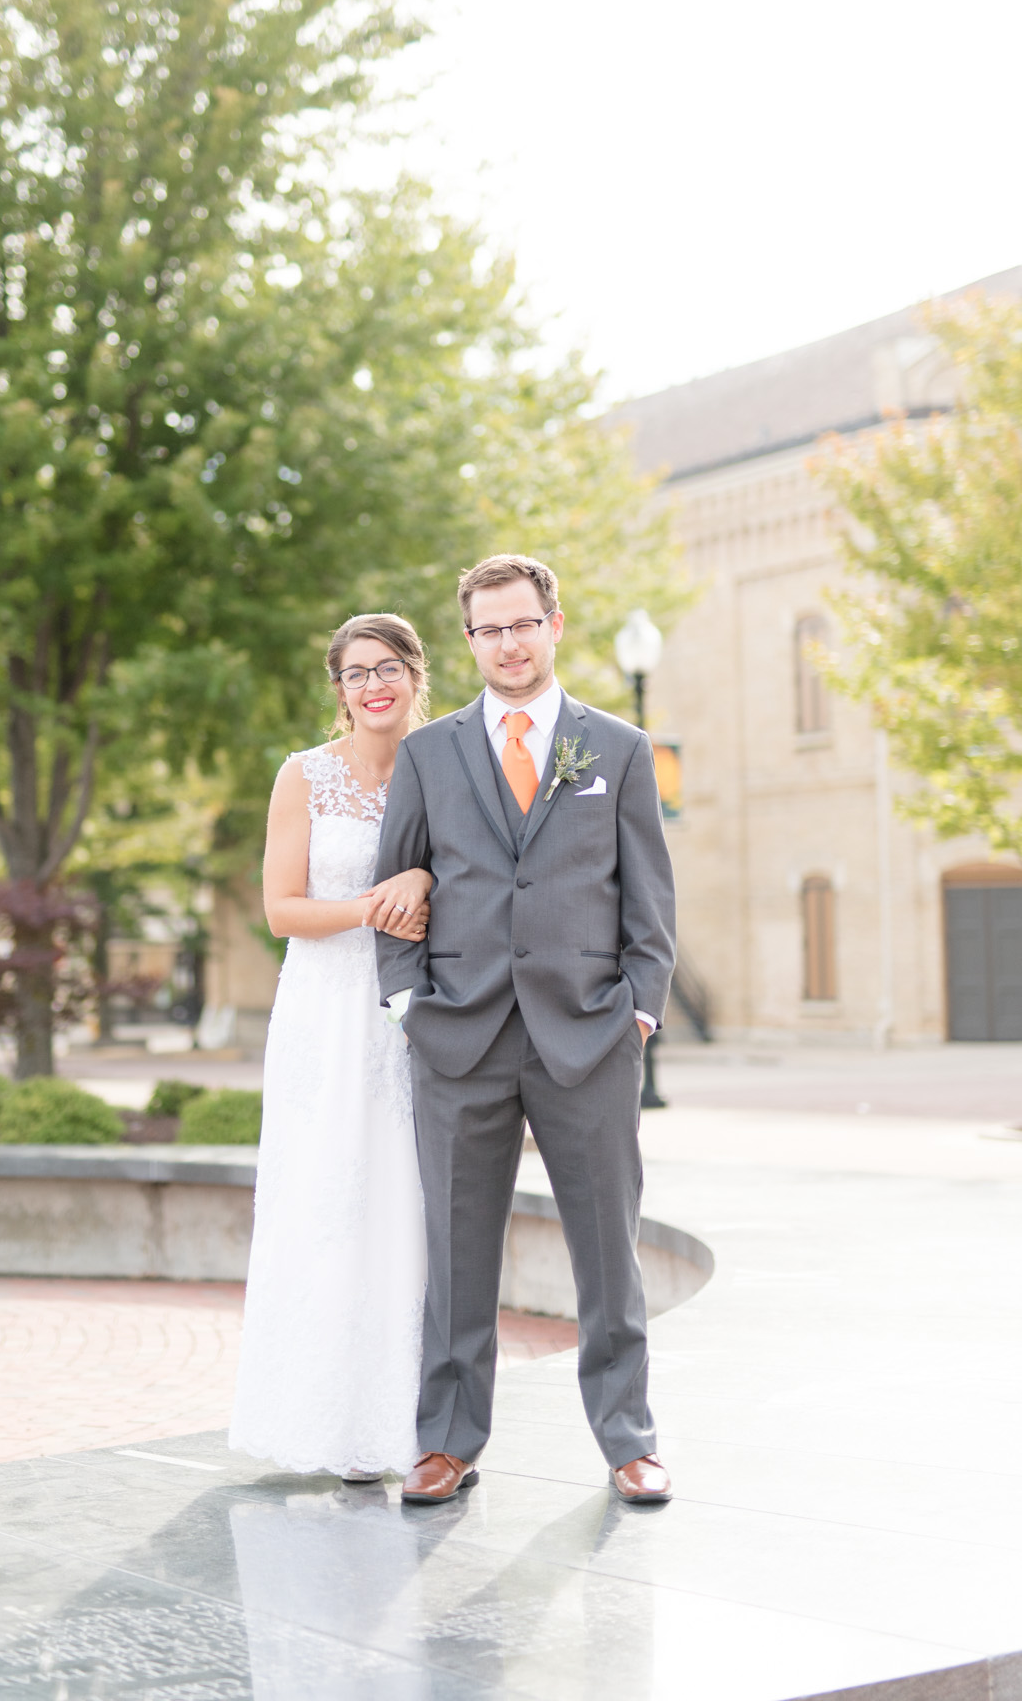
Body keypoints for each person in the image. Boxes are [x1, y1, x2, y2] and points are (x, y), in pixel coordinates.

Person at [373, 553, 677, 1506]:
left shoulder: (617, 749)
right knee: (457, 1255)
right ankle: (447, 1441)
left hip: (587, 1034)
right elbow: (398, 880)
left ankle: (628, 1440)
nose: (507, 644)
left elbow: (649, 898)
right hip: (458, 1036)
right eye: (487, 629)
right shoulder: (428, 754)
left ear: (554, 625)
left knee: (605, 1249)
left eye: (521, 624)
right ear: (469, 640)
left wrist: (636, 1008)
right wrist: (405, 1003)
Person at [229, 614, 435, 1480]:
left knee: (402, 1208)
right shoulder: (302, 776)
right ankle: (313, 1421)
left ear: (417, 675)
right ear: (338, 691)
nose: (372, 685)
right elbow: (281, 911)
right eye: (355, 674)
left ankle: (403, 1430)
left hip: (413, 1019)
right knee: (320, 1204)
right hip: (323, 1014)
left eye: (387, 668)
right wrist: (373, 904)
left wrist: (423, 879)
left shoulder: (448, 765)